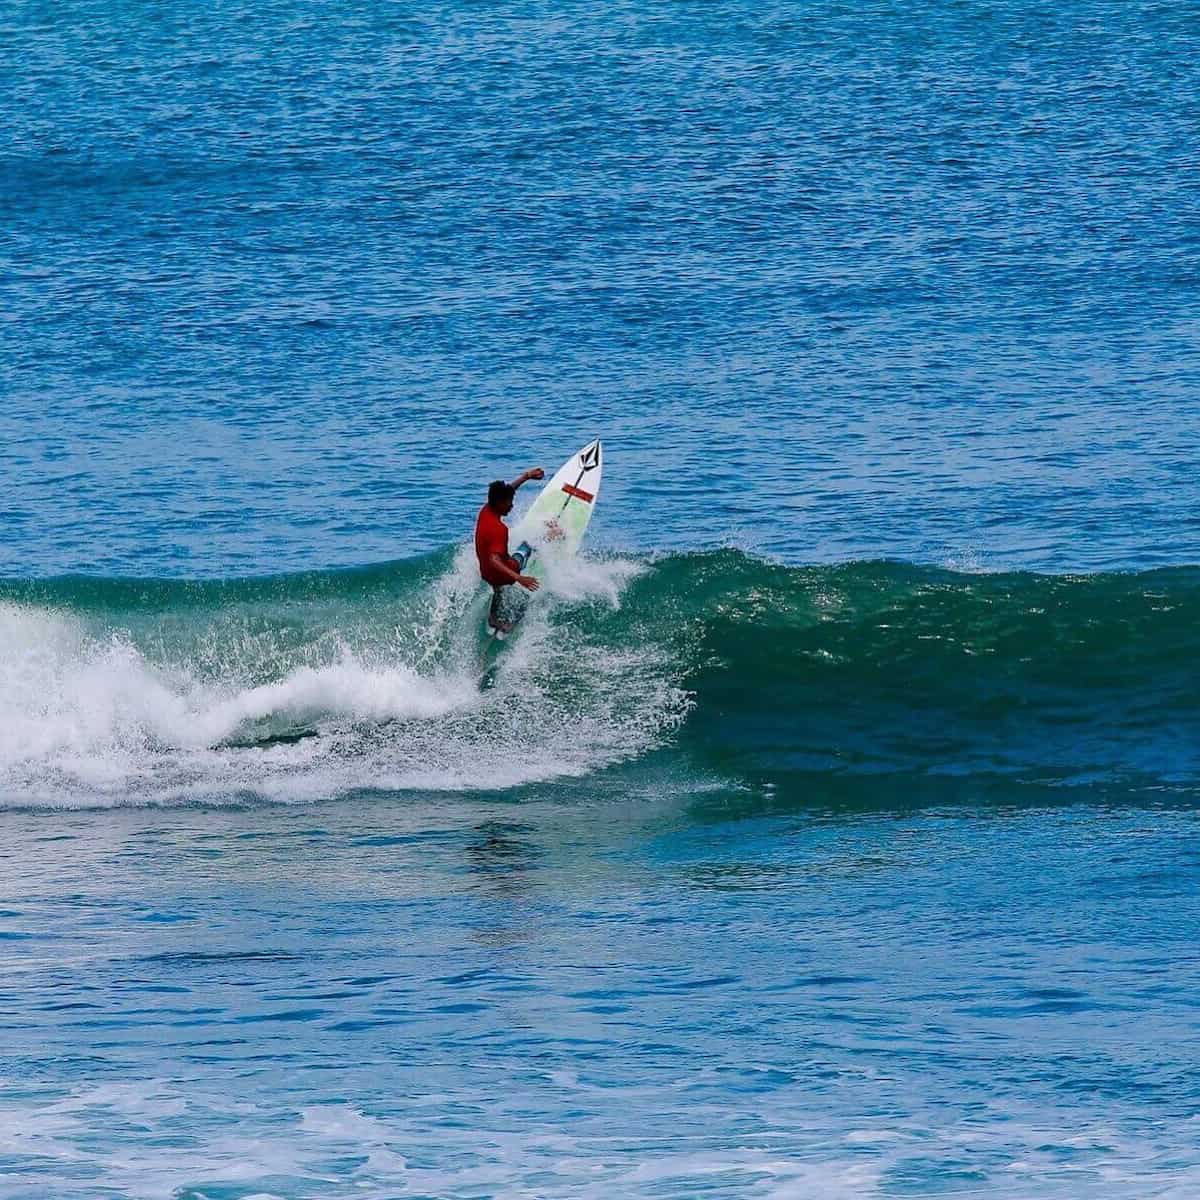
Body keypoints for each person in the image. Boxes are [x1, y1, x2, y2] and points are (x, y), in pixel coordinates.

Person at [475, 467, 544, 632]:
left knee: (497, 585)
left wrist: (526, 477)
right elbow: (494, 559)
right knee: (527, 547)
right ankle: (514, 620)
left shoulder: (486, 510)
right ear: (500, 503)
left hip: (486, 572)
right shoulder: (499, 529)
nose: (511, 506)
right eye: (509, 503)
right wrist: (519, 578)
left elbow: (508, 491)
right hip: (505, 573)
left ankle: (493, 618)